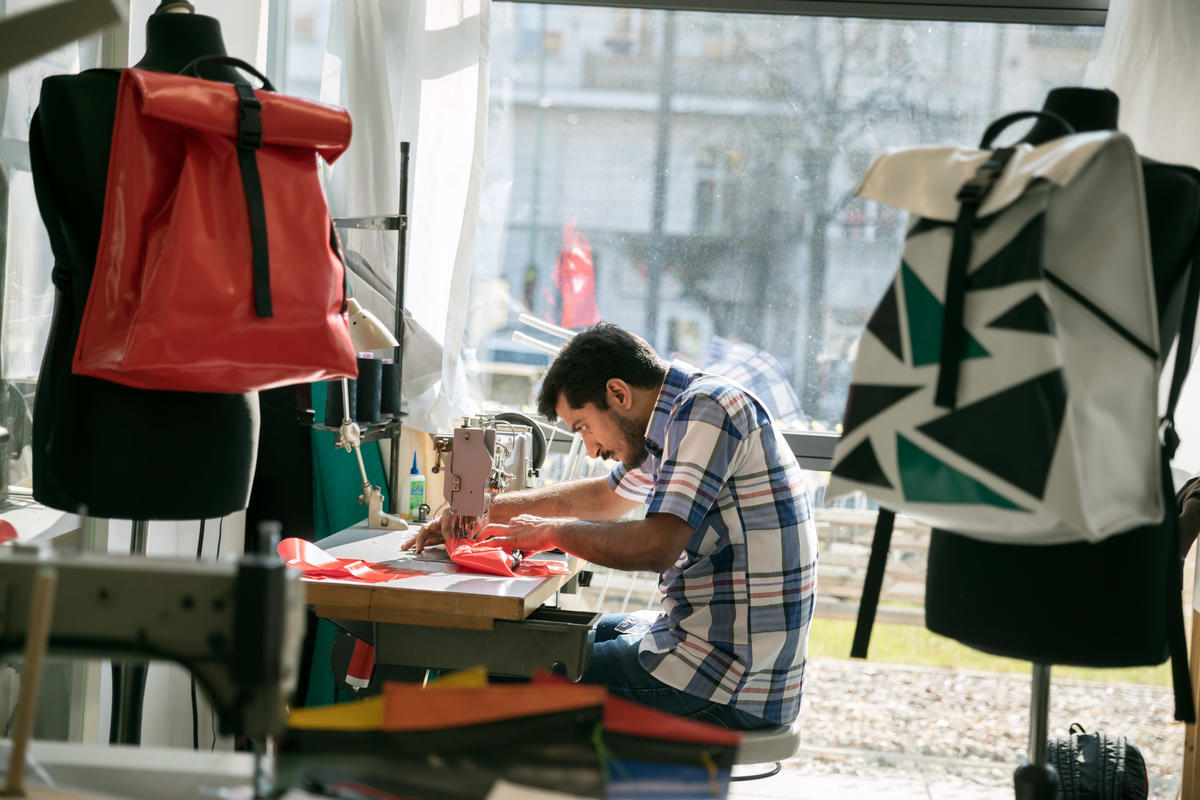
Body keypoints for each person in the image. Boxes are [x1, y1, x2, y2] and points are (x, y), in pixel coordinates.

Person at [405, 323, 818, 729]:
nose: (592, 448)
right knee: (530, 639)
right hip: (715, 650)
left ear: (618, 393)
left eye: (583, 427)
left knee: (498, 672)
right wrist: (483, 511)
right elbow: (604, 498)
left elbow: (655, 547)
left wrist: (552, 532)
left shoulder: (707, 409)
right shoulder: (672, 421)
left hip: (730, 682)